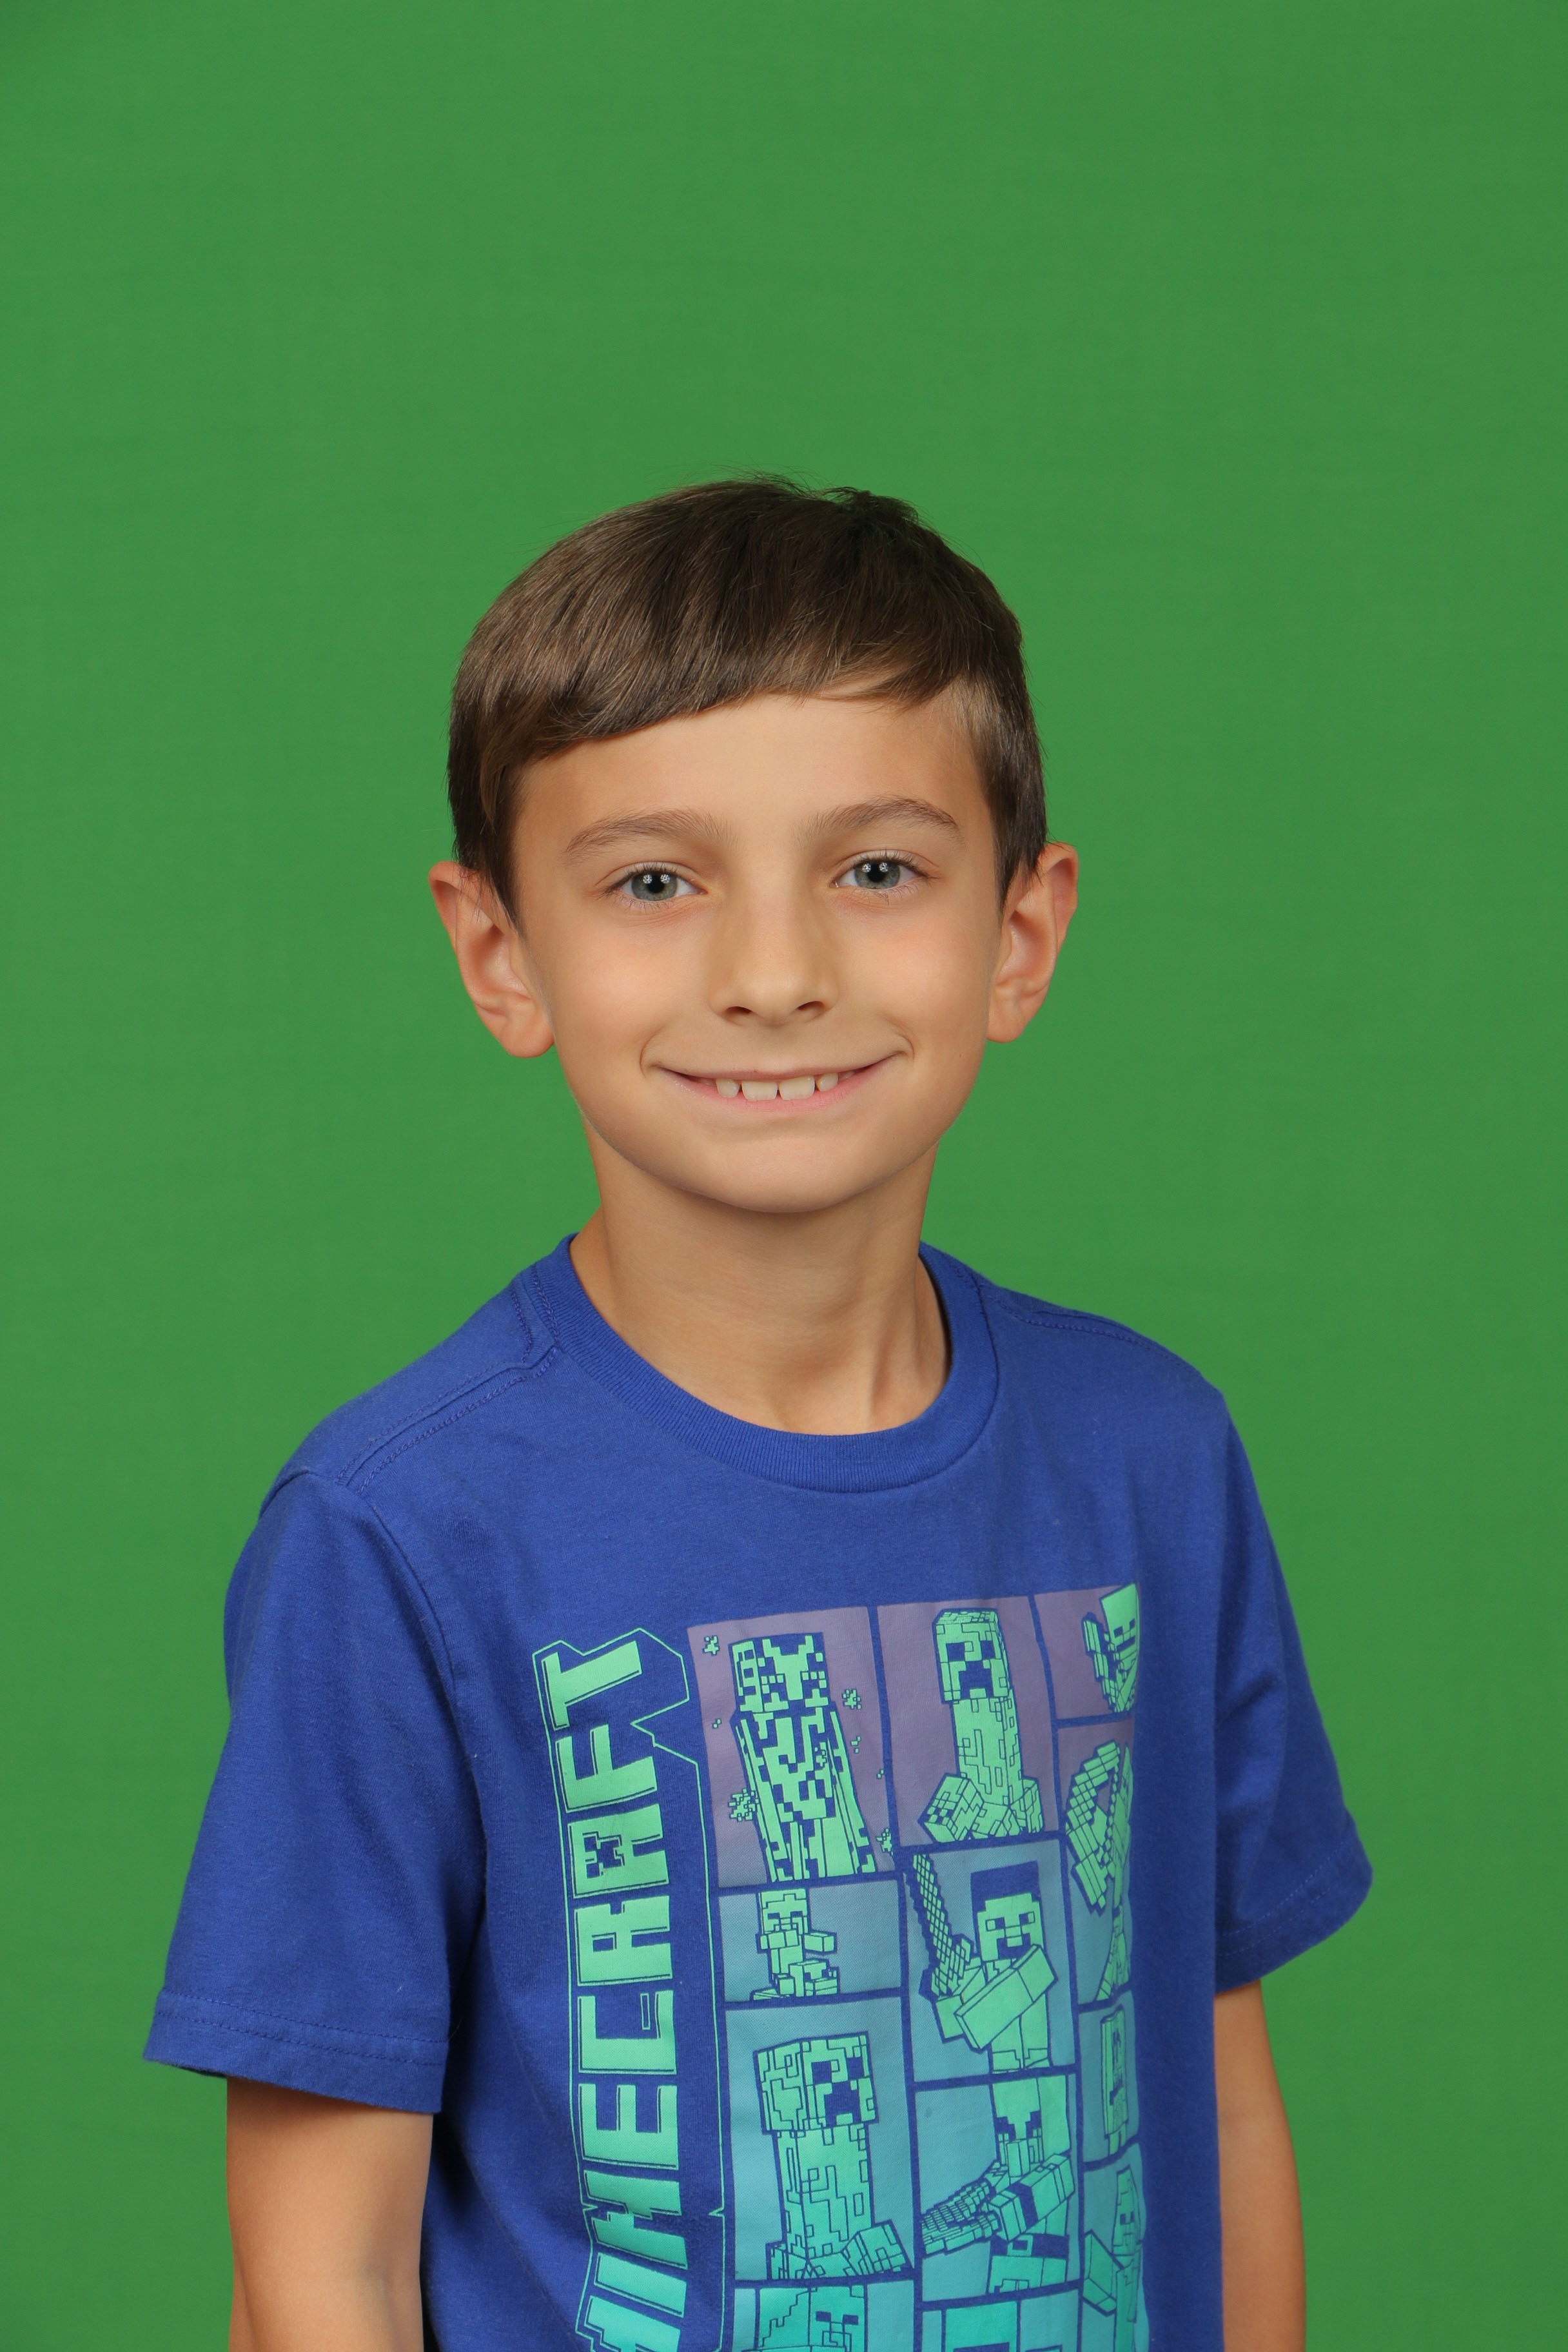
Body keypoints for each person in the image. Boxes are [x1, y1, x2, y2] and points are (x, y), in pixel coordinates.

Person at [146, 480, 1370, 2352]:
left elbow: (1215, 2105)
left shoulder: (1153, 1458)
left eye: (877, 871)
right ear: (500, 952)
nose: (777, 974)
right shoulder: (399, 1532)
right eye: (656, 882)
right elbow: (322, 2272)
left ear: (1022, 932)